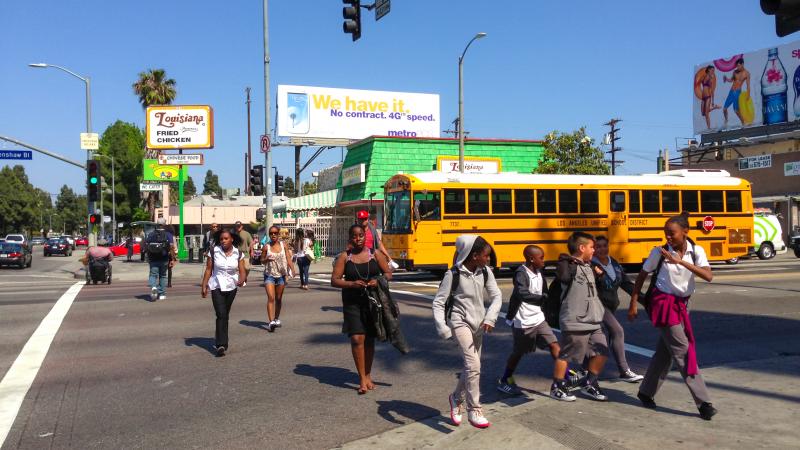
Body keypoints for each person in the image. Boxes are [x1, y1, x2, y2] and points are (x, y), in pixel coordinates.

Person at [628, 212, 717, 420]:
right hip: (664, 304)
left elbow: (708, 276)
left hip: (683, 305)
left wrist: (681, 262)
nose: (668, 237)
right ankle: (703, 402)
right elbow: (641, 276)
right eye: (665, 233)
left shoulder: (696, 251)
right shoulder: (658, 253)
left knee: (665, 353)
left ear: (685, 232)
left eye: (672, 233)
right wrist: (633, 303)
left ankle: (645, 392)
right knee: (683, 351)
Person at [432, 235, 502, 429]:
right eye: (485, 256)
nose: (488, 259)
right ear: (474, 255)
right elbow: (439, 302)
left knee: (472, 366)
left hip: (479, 324)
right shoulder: (452, 274)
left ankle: (456, 398)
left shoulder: (486, 272)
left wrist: (490, 318)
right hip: (459, 322)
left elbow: (497, 296)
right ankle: (474, 409)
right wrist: (442, 327)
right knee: (473, 365)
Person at [331, 224, 393, 395]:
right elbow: (334, 280)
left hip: (372, 302)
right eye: (354, 236)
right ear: (349, 238)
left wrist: (377, 281)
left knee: (369, 340)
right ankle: (361, 379)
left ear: (365, 237)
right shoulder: (345, 257)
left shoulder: (375, 254)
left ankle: (367, 374)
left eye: (360, 235)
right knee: (357, 338)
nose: (357, 239)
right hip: (352, 302)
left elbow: (388, 273)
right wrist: (351, 284)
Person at [496, 245, 561, 396]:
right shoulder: (521, 273)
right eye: (541, 258)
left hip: (539, 318)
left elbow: (545, 292)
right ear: (532, 259)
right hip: (522, 320)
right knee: (519, 352)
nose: (544, 261)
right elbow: (522, 293)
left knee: (554, 345)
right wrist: (541, 299)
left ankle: (561, 381)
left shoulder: (539, 272)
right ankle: (505, 379)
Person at [552, 232, 609, 402]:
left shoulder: (590, 266)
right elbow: (563, 276)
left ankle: (589, 383)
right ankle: (557, 387)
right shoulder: (568, 265)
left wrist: (600, 275)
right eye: (592, 247)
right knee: (567, 355)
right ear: (582, 248)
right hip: (575, 320)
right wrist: (567, 259)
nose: (595, 250)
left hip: (594, 319)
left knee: (602, 350)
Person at [585, 235, 644, 383]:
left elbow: (626, 284)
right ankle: (624, 370)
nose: (602, 249)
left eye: (605, 245)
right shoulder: (591, 265)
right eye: (598, 246)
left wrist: (645, 300)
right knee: (617, 331)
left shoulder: (615, 264)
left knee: (596, 338)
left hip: (611, 305)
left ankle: (586, 372)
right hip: (597, 305)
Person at [201, 228, 247, 357]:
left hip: (232, 286)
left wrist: (242, 279)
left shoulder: (238, 253)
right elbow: (209, 269)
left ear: (231, 239)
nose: (223, 241)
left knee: (225, 314)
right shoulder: (214, 251)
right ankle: (221, 344)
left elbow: (242, 270)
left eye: (226, 238)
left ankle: (223, 341)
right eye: (221, 239)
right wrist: (204, 286)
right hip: (216, 285)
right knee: (221, 314)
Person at [261, 225, 296, 332]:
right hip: (269, 275)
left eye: (275, 233)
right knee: (271, 298)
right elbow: (261, 260)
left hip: (281, 275)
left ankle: (276, 318)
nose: (273, 235)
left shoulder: (283, 244)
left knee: (279, 299)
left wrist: (292, 269)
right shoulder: (266, 247)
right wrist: (266, 259)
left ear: (278, 233)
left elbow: (288, 258)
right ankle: (271, 322)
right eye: (271, 233)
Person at [145, 218, 175, 301]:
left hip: (153, 259)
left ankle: (154, 287)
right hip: (164, 258)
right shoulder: (168, 234)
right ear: (164, 224)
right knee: (163, 276)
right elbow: (172, 247)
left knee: (153, 275)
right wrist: (172, 259)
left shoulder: (151, 234)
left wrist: (148, 257)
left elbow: (146, 246)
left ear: (156, 224)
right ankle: (162, 294)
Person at [722, 58, 750, 128]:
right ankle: (726, 121)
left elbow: (748, 86)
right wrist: (726, 79)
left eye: (739, 66)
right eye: (737, 66)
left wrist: (748, 95)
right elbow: (731, 80)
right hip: (731, 92)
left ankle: (743, 123)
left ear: (742, 64)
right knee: (724, 109)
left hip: (737, 92)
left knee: (736, 110)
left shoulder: (747, 73)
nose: (737, 67)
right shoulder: (735, 72)